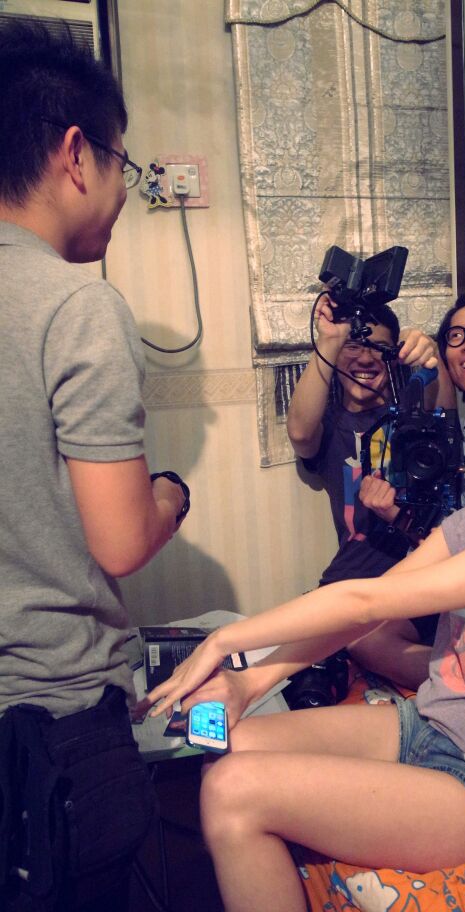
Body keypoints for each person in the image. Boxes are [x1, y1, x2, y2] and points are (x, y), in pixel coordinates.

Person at [146, 360, 465, 912]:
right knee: (227, 745)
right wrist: (248, 686)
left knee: (232, 791)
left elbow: (363, 599)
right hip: (426, 726)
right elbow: (362, 615)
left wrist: (225, 642)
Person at [0, 21, 189, 912]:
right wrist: (171, 496)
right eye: (124, 166)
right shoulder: (76, 305)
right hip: (56, 727)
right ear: (77, 155)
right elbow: (120, 541)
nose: (123, 194)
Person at [351, 288, 465, 686]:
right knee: (364, 638)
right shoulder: (453, 430)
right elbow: (444, 538)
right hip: (462, 589)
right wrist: (394, 514)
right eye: (457, 336)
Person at [286, 292, 448, 586]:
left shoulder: (413, 414)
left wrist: (430, 354)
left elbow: (443, 410)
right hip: (350, 579)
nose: (365, 358)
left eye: (378, 348)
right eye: (353, 346)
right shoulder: (331, 425)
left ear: (394, 358)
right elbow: (300, 433)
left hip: (418, 580)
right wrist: (330, 339)